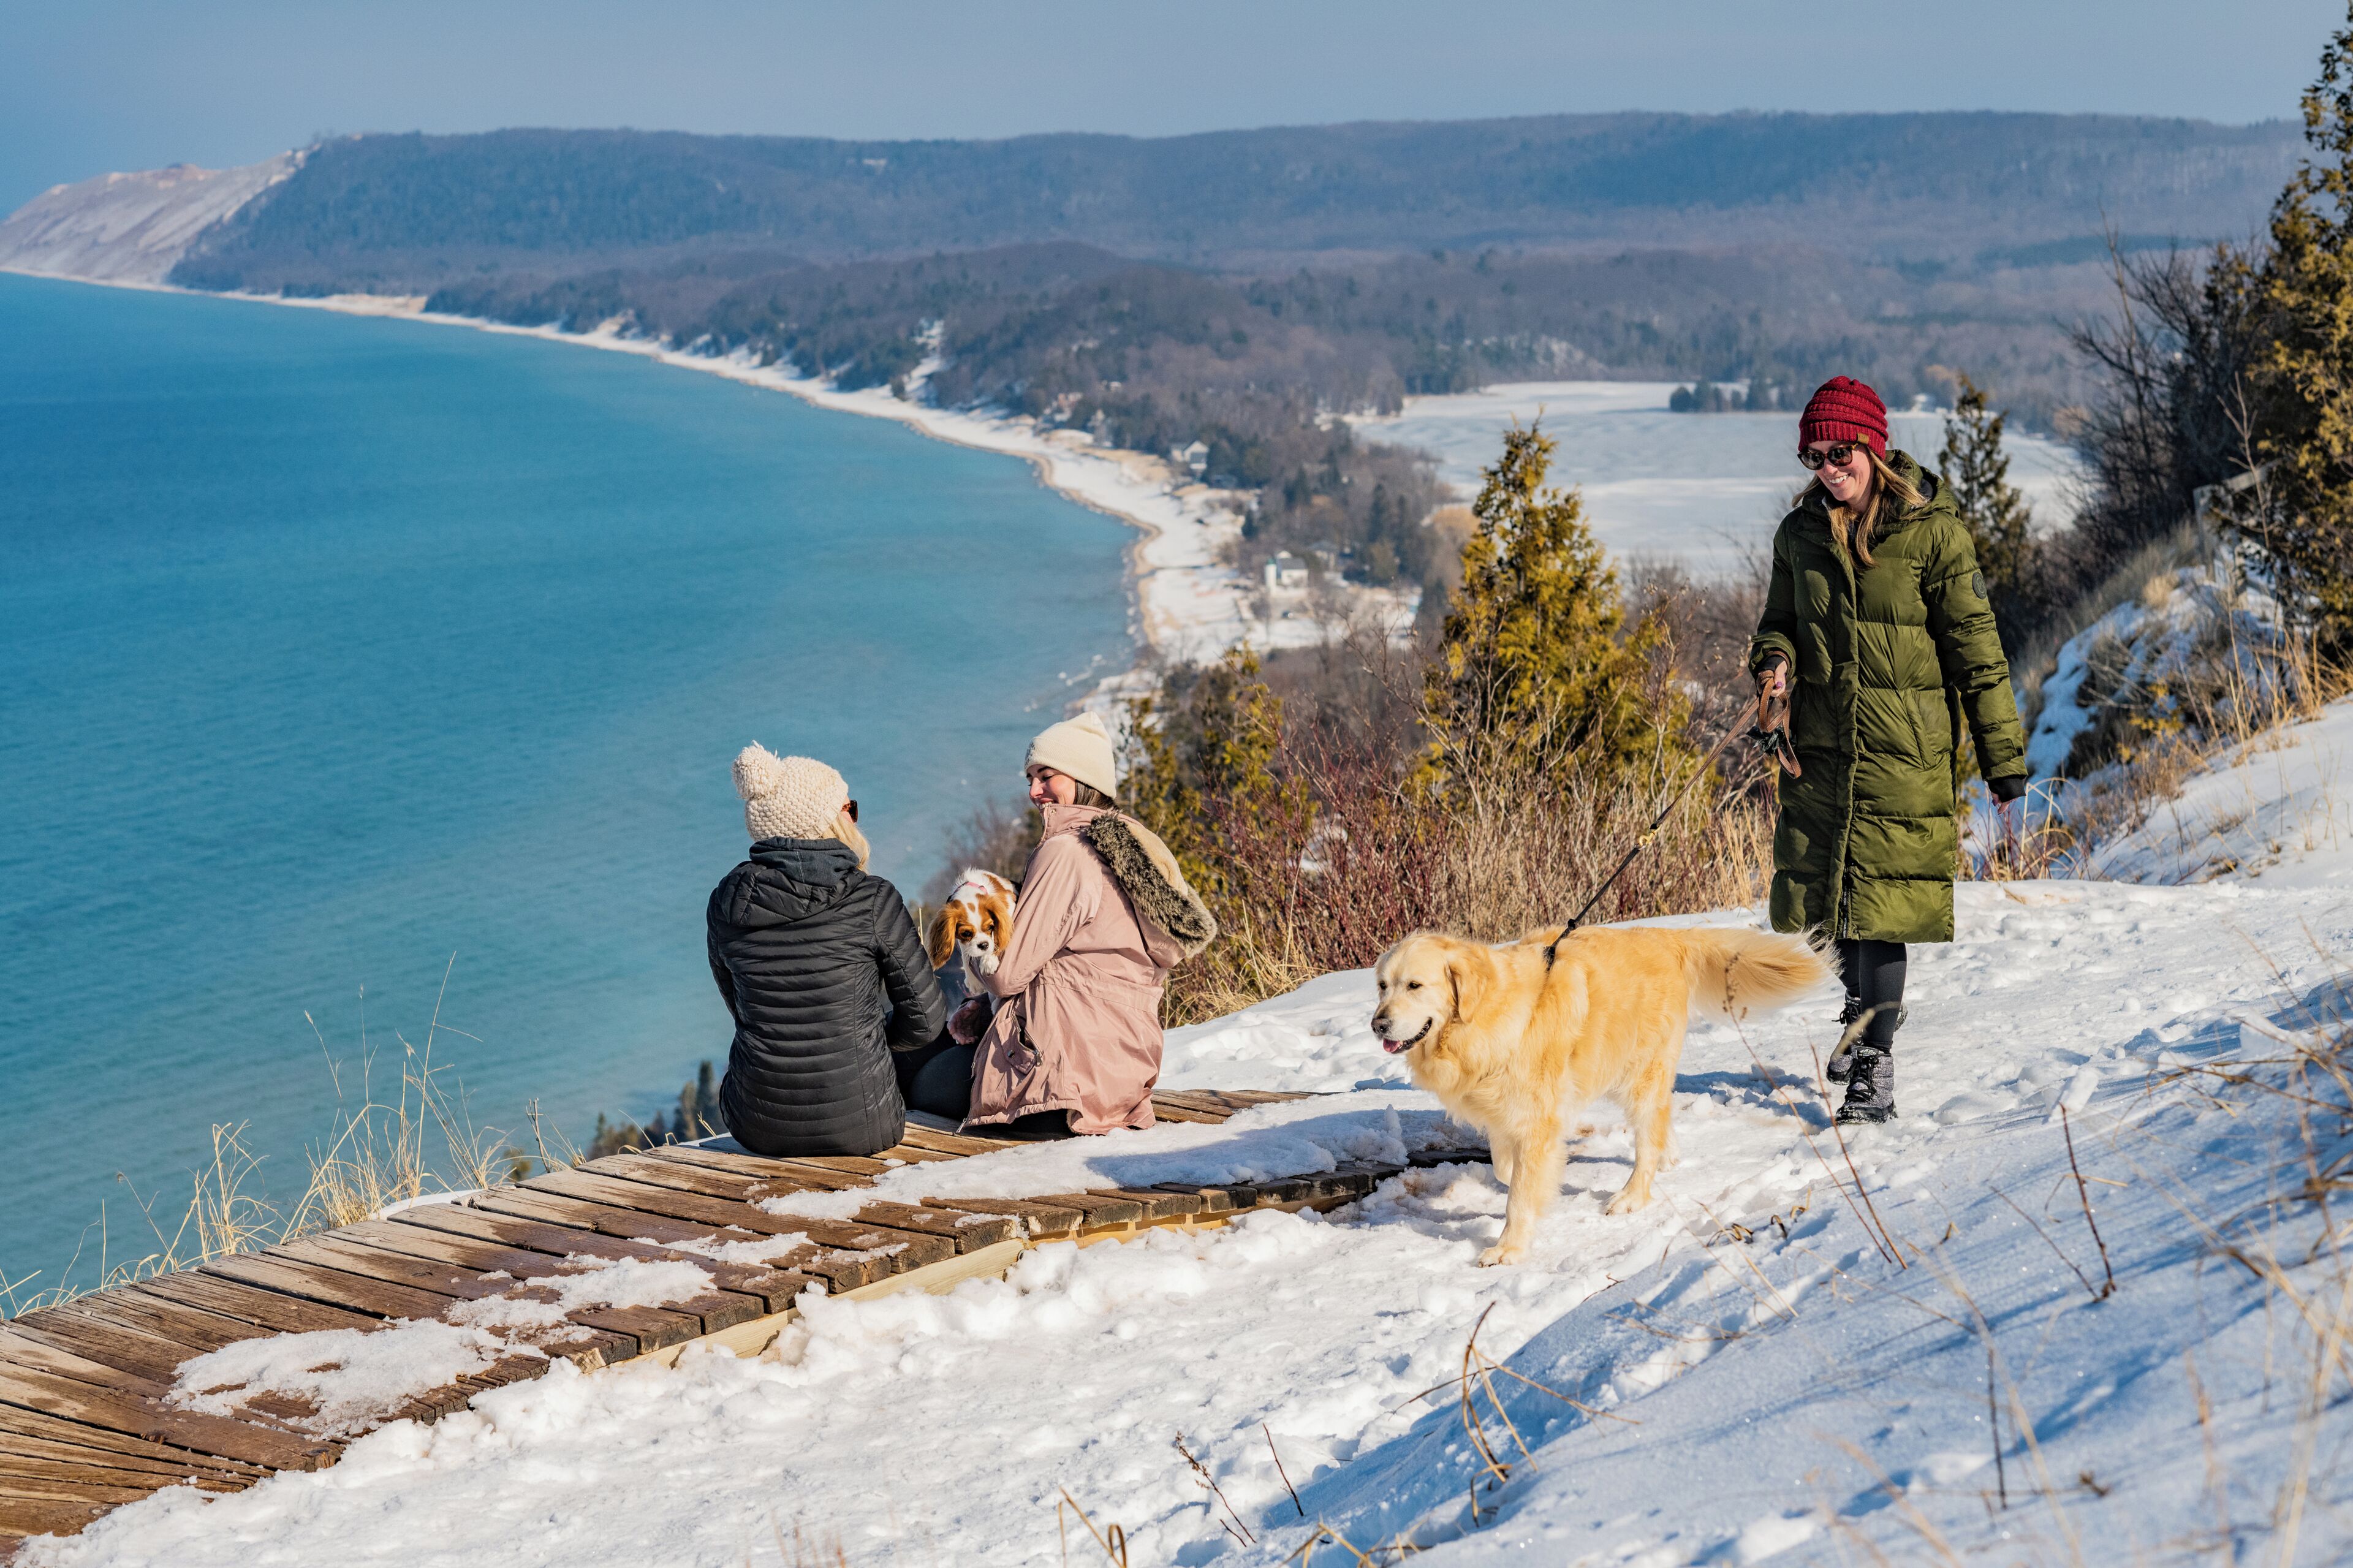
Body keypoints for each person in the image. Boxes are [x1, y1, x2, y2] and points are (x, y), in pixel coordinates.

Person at [1748, 376, 2029, 1124]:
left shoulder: (1933, 534)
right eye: (1813, 455)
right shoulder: (1798, 535)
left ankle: (1875, 1065)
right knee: (1827, 907)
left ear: (1873, 446)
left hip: (1902, 753)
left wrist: (2004, 762)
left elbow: (1978, 653)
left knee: (1880, 913)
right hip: (1820, 748)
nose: (1827, 467)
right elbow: (1777, 622)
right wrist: (1773, 665)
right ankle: (1859, 1013)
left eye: (1840, 451)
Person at [943, 711, 1188, 1136]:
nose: (1035, 791)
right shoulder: (1134, 848)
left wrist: (973, 930)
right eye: (1030, 778)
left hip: (1059, 1084)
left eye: (1047, 775)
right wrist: (984, 1009)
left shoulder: (1067, 852)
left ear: (1082, 776)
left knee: (911, 1071)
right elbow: (1083, 967)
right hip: (1118, 1076)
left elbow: (1006, 974)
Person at [706, 744, 945, 1157]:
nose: (854, 815)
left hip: (756, 1125)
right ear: (832, 819)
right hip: (864, 1127)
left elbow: (741, 1008)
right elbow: (926, 1020)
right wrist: (869, 1040)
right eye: (849, 806)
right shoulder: (874, 899)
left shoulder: (727, 901)